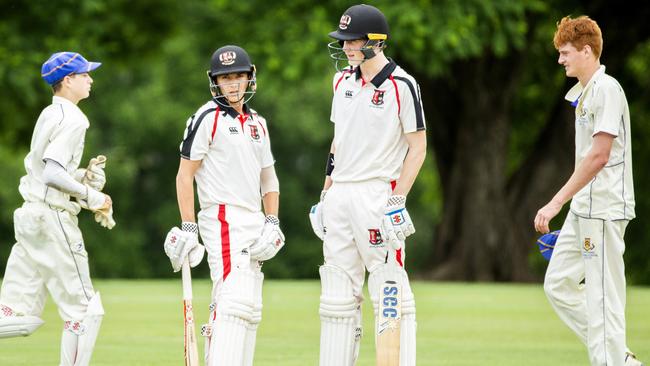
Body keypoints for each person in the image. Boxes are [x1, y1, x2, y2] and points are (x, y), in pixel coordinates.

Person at [309, 4, 426, 365]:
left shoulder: (401, 85)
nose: (345, 48)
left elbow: (418, 147)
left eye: (352, 41)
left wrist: (397, 200)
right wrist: (325, 193)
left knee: (389, 286)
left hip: (377, 193)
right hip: (340, 193)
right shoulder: (341, 81)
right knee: (338, 294)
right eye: (343, 41)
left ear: (376, 42)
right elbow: (338, 141)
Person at [165, 44, 284, 366]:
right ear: (215, 81)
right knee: (234, 302)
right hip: (222, 217)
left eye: (238, 76)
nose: (232, 84)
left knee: (249, 308)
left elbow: (269, 181)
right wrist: (188, 225)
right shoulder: (207, 118)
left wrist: (272, 223)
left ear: (250, 78)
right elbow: (184, 175)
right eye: (225, 78)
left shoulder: (258, 122)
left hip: (254, 221)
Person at [535, 16, 643, 366]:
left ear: (586, 51)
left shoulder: (607, 89)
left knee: (602, 297)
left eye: (565, 53)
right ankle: (619, 357)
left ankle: (612, 360)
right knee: (560, 286)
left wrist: (554, 203)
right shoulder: (584, 93)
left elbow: (598, 156)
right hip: (584, 210)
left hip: (604, 209)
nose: (560, 60)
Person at [0, 51, 115, 366]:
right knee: (85, 310)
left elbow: (46, 169)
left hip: (30, 216)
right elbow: (52, 173)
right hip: (51, 220)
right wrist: (92, 196)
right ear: (68, 80)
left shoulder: (50, 113)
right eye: (85, 74)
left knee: (16, 315)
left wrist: (81, 177)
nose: (90, 79)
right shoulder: (74, 118)